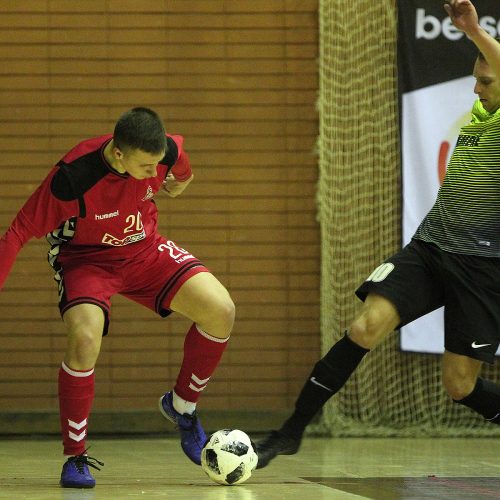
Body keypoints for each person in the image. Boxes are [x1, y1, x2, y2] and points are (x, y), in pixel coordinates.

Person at [255, 0, 500, 469]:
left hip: (482, 267)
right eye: (474, 78)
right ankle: (290, 433)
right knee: (364, 326)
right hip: (430, 250)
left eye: (485, 81)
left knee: (459, 385)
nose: (475, 88)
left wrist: (472, 30)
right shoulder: (479, 117)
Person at [0, 107, 235, 488]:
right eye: (146, 168)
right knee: (85, 338)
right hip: (87, 262)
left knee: (221, 310)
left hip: (145, 250)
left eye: (158, 165)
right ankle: (75, 456)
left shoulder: (163, 154)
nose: (153, 174)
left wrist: (183, 178)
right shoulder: (73, 179)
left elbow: (179, 162)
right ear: (119, 153)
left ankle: (182, 408)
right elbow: (17, 231)